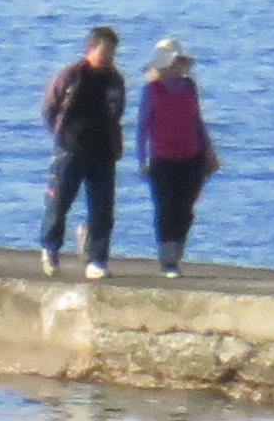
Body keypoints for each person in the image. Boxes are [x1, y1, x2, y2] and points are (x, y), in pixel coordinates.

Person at [39, 23, 127, 279]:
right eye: (104, 52)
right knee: (59, 201)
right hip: (71, 148)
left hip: (104, 151)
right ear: (90, 49)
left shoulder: (116, 80)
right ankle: (50, 248)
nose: (109, 58)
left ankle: (97, 259)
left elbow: (118, 111)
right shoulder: (70, 76)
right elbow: (49, 107)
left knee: (102, 208)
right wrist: (62, 135)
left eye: (112, 53)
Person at [139, 39, 220, 277]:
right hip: (162, 158)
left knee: (185, 209)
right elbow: (143, 127)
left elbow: (197, 121)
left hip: (191, 155)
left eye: (181, 62)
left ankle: (176, 251)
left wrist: (209, 151)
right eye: (176, 62)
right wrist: (142, 159)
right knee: (166, 208)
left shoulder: (189, 87)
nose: (181, 67)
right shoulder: (152, 91)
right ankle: (168, 260)